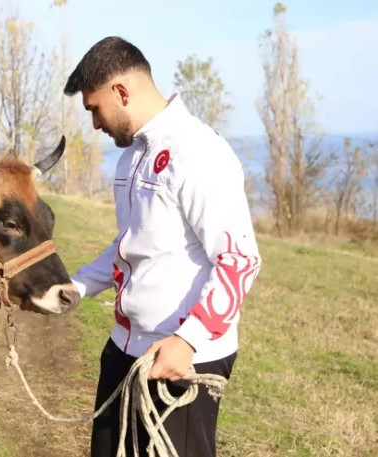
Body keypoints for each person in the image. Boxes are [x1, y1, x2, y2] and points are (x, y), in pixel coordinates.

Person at [65, 36, 262, 457]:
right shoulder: (130, 158)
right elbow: (130, 244)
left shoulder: (198, 151)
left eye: (94, 108)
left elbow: (239, 259)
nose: (95, 124)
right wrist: (75, 287)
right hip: (123, 351)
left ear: (120, 91)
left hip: (182, 359)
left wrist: (187, 341)